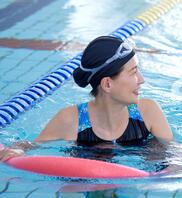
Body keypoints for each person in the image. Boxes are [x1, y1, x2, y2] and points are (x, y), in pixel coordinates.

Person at [0, 36, 173, 162]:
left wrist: (169, 166)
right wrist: (17, 149)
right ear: (107, 84)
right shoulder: (70, 119)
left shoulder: (148, 111)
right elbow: (31, 145)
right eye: (134, 72)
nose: (141, 79)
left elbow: (173, 152)